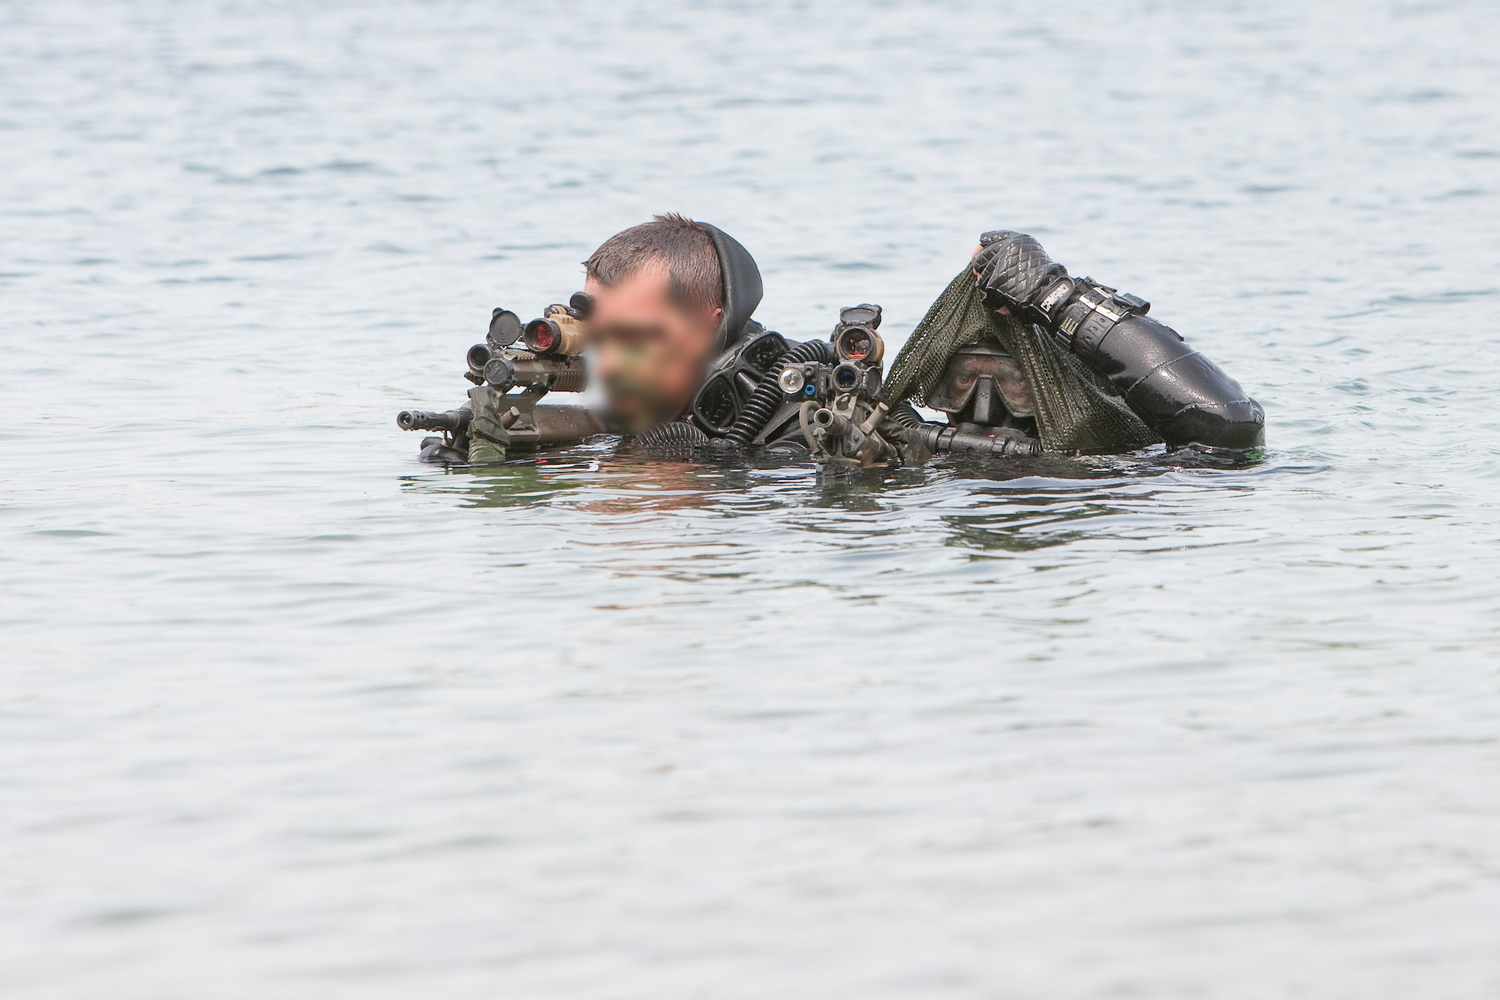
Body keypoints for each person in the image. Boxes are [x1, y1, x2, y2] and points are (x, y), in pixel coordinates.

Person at [433, 214, 1264, 464]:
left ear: (708, 324)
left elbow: (1226, 437)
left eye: (636, 337)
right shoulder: (670, 427)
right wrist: (499, 443)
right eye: (600, 338)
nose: (609, 361)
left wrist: (1054, 298)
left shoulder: (836, 422)